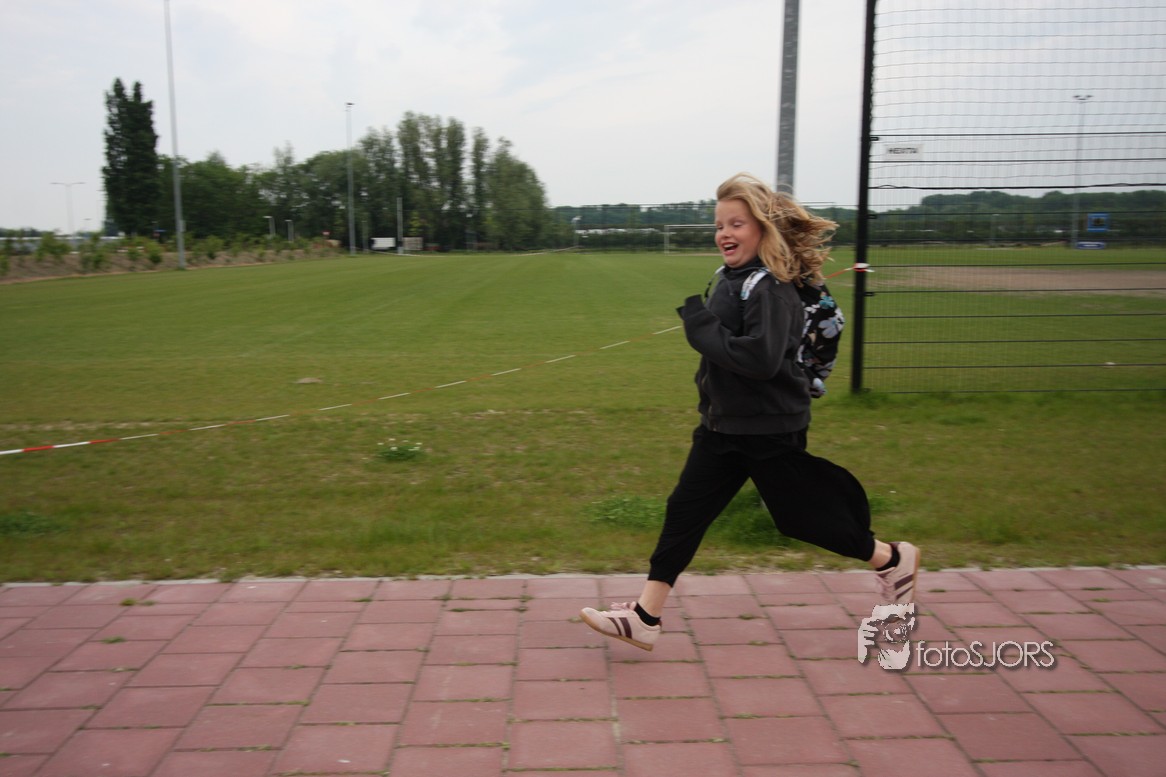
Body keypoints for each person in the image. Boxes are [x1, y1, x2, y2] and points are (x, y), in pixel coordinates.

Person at [581, 173, 919, 651]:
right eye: (719, 225)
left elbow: (760, 359)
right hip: (724, 424)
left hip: (768, 428)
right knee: (685, 512)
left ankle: (891, 559)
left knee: (801, 519)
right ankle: (645, 617)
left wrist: (699, 326)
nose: (724, 233)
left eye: (736, 224)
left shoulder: (772, 288)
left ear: (763, 228)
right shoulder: (732, 278)